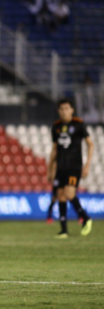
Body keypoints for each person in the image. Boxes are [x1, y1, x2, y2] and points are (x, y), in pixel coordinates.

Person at [47, 99, 94, 238]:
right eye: (61, 109)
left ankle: (85, 218)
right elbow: (54, 149)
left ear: (72, 110)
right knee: (60, 195)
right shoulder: (55, 127)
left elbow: (90, 144)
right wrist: (50, 169)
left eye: (66, 108)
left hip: (74, 167)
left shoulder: (78, 124)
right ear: (58, 111)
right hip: (60, 167)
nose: (64, 111)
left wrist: (87, 165)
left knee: (69, 193)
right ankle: (64, 230)